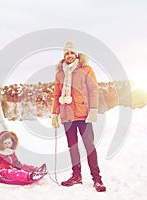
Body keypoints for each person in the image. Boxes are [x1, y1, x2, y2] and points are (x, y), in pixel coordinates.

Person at [51, 42, 106, 192]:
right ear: (64, 57)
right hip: (67, 117)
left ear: (76, 55)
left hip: (83, 115)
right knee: (72, 147)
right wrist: (54, 114)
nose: (69, 56)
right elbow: (56, 95)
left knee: (89, 147)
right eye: (66, 54)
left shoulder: (86, 69)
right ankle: (76, 176)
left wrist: (93, 109)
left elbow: (94, 90)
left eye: (71, 53)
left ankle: (97, 178)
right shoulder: (60, 74)